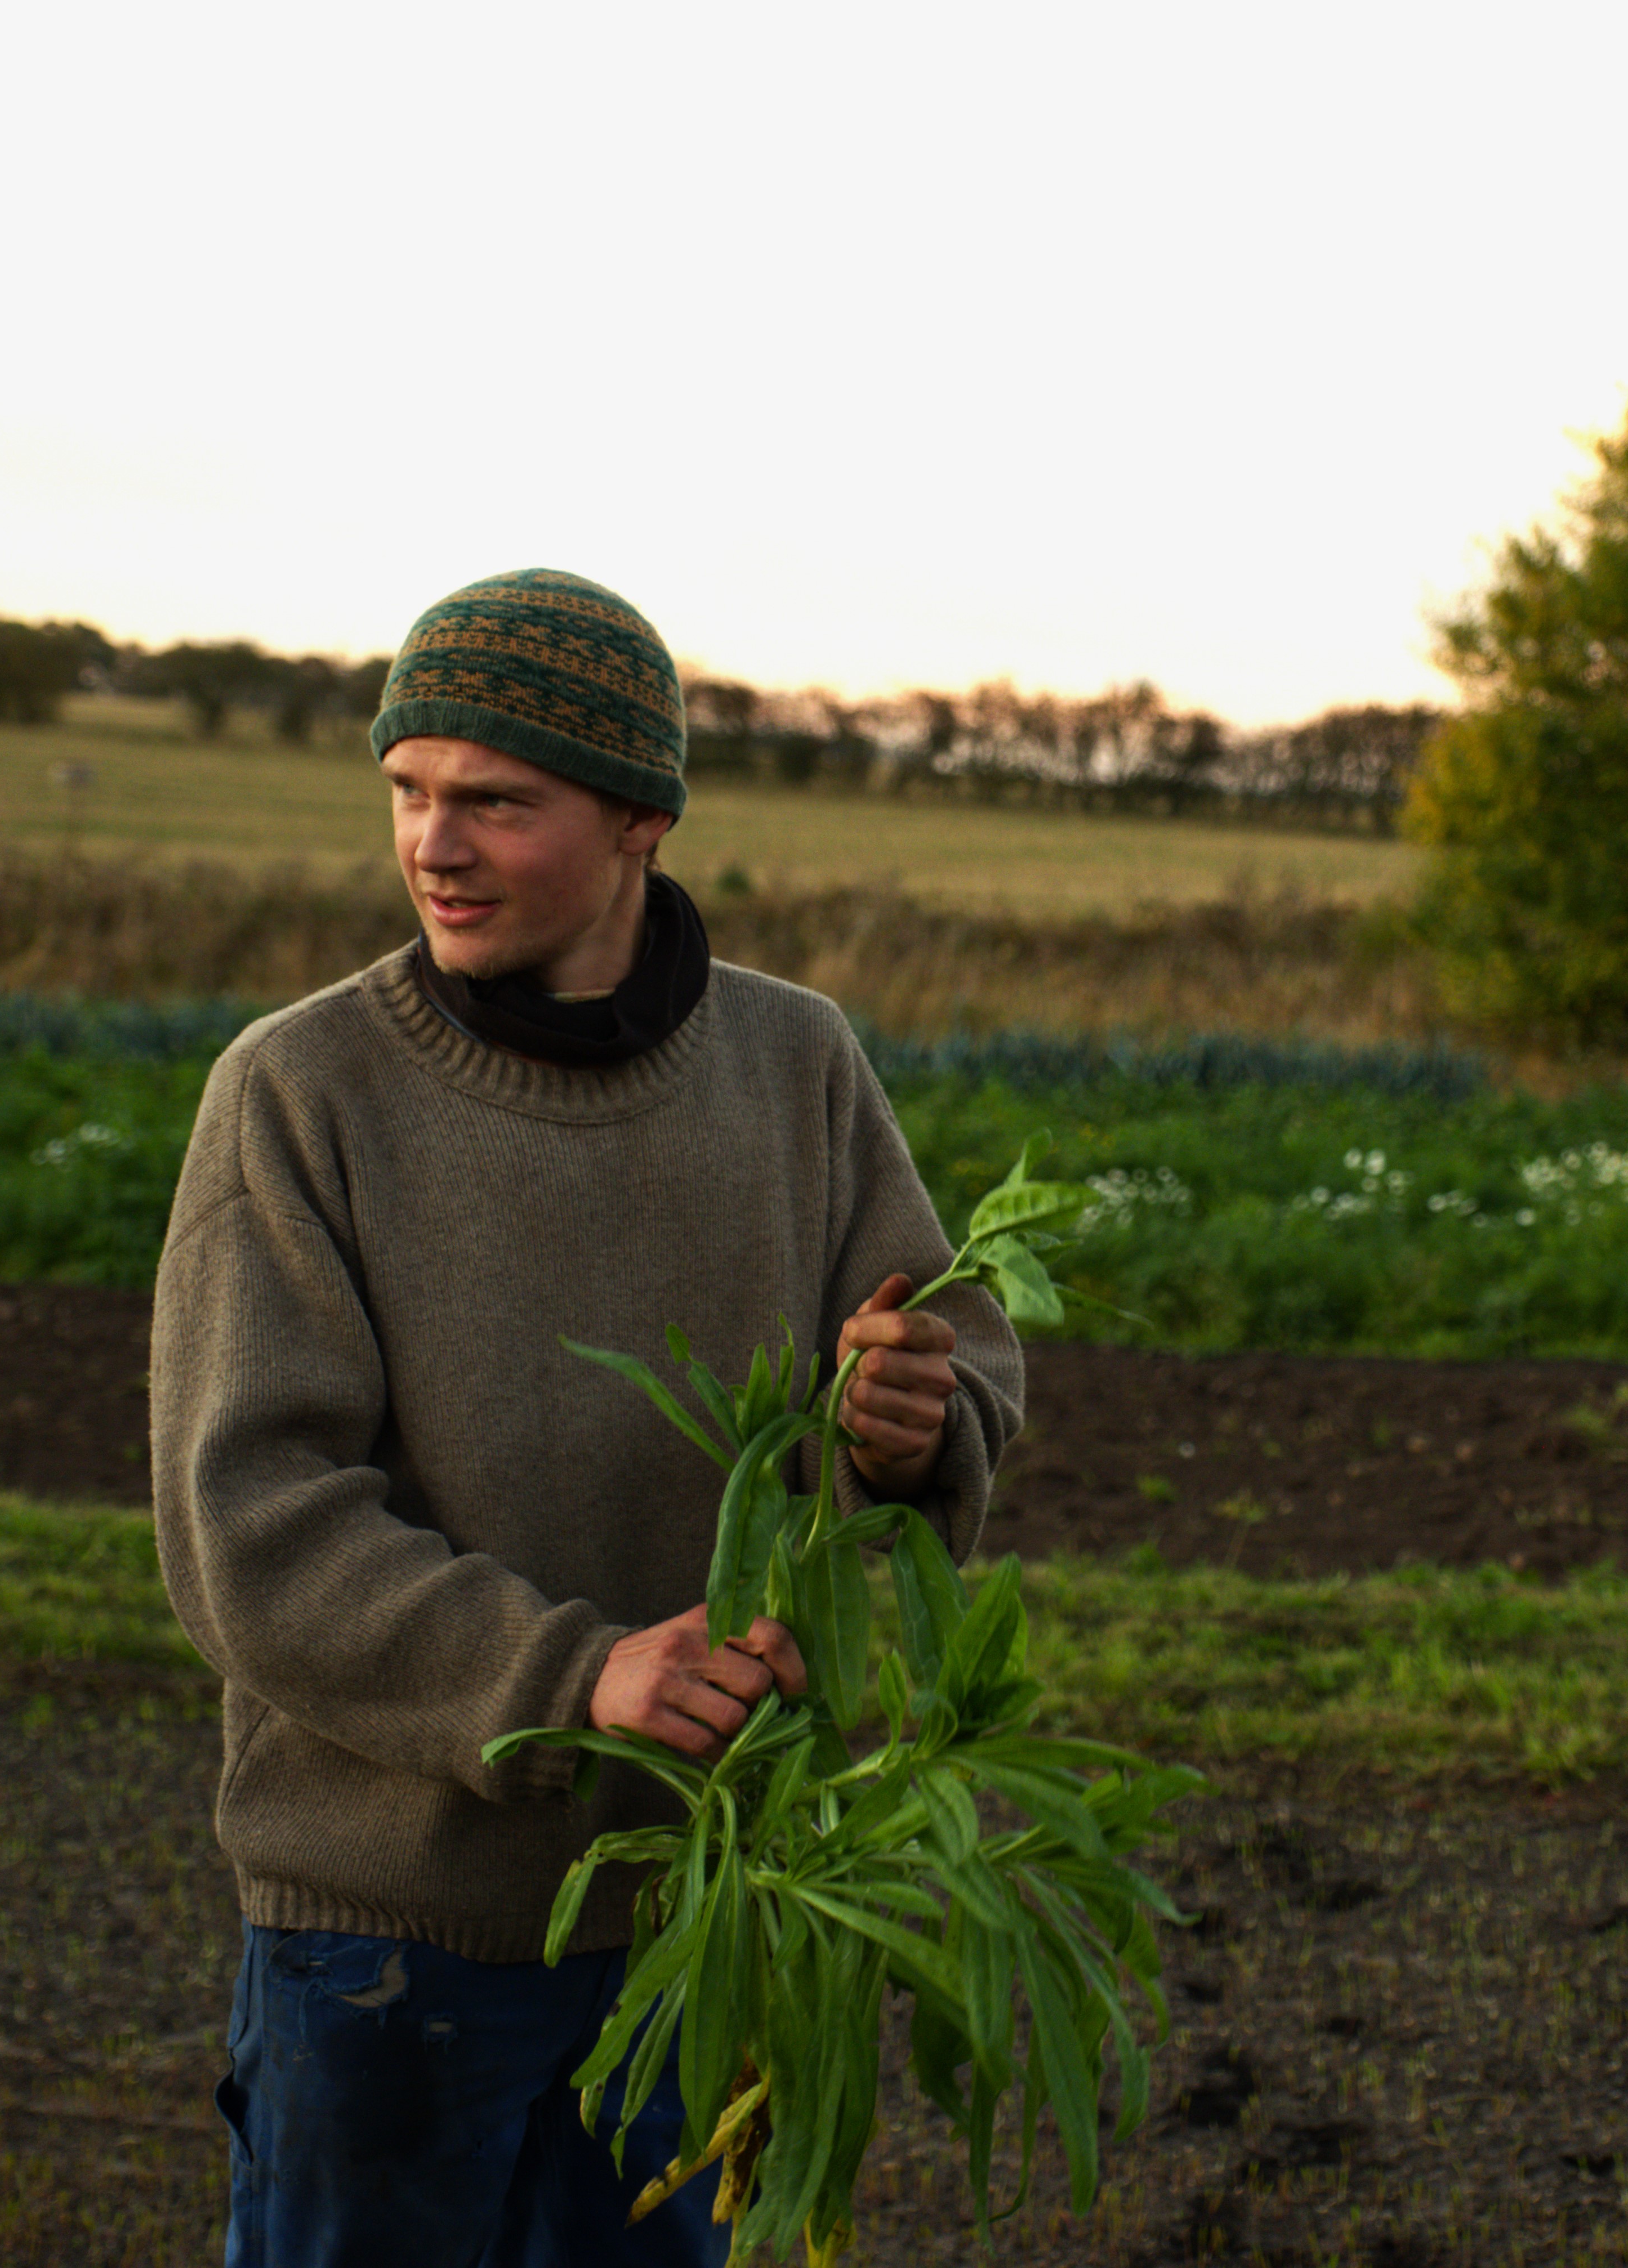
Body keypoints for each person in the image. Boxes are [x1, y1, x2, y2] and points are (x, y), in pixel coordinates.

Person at [149, 566, 1023, 2266]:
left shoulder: (796, 1064)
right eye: (409, 791)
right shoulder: (300, 1089)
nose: (434, 845)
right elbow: (251, 1527)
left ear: (640, 817)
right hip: (393, 1943)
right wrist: (575, 1679)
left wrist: (911, 1424)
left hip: (705, 1913)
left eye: (496, 801)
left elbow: (950, 1347)